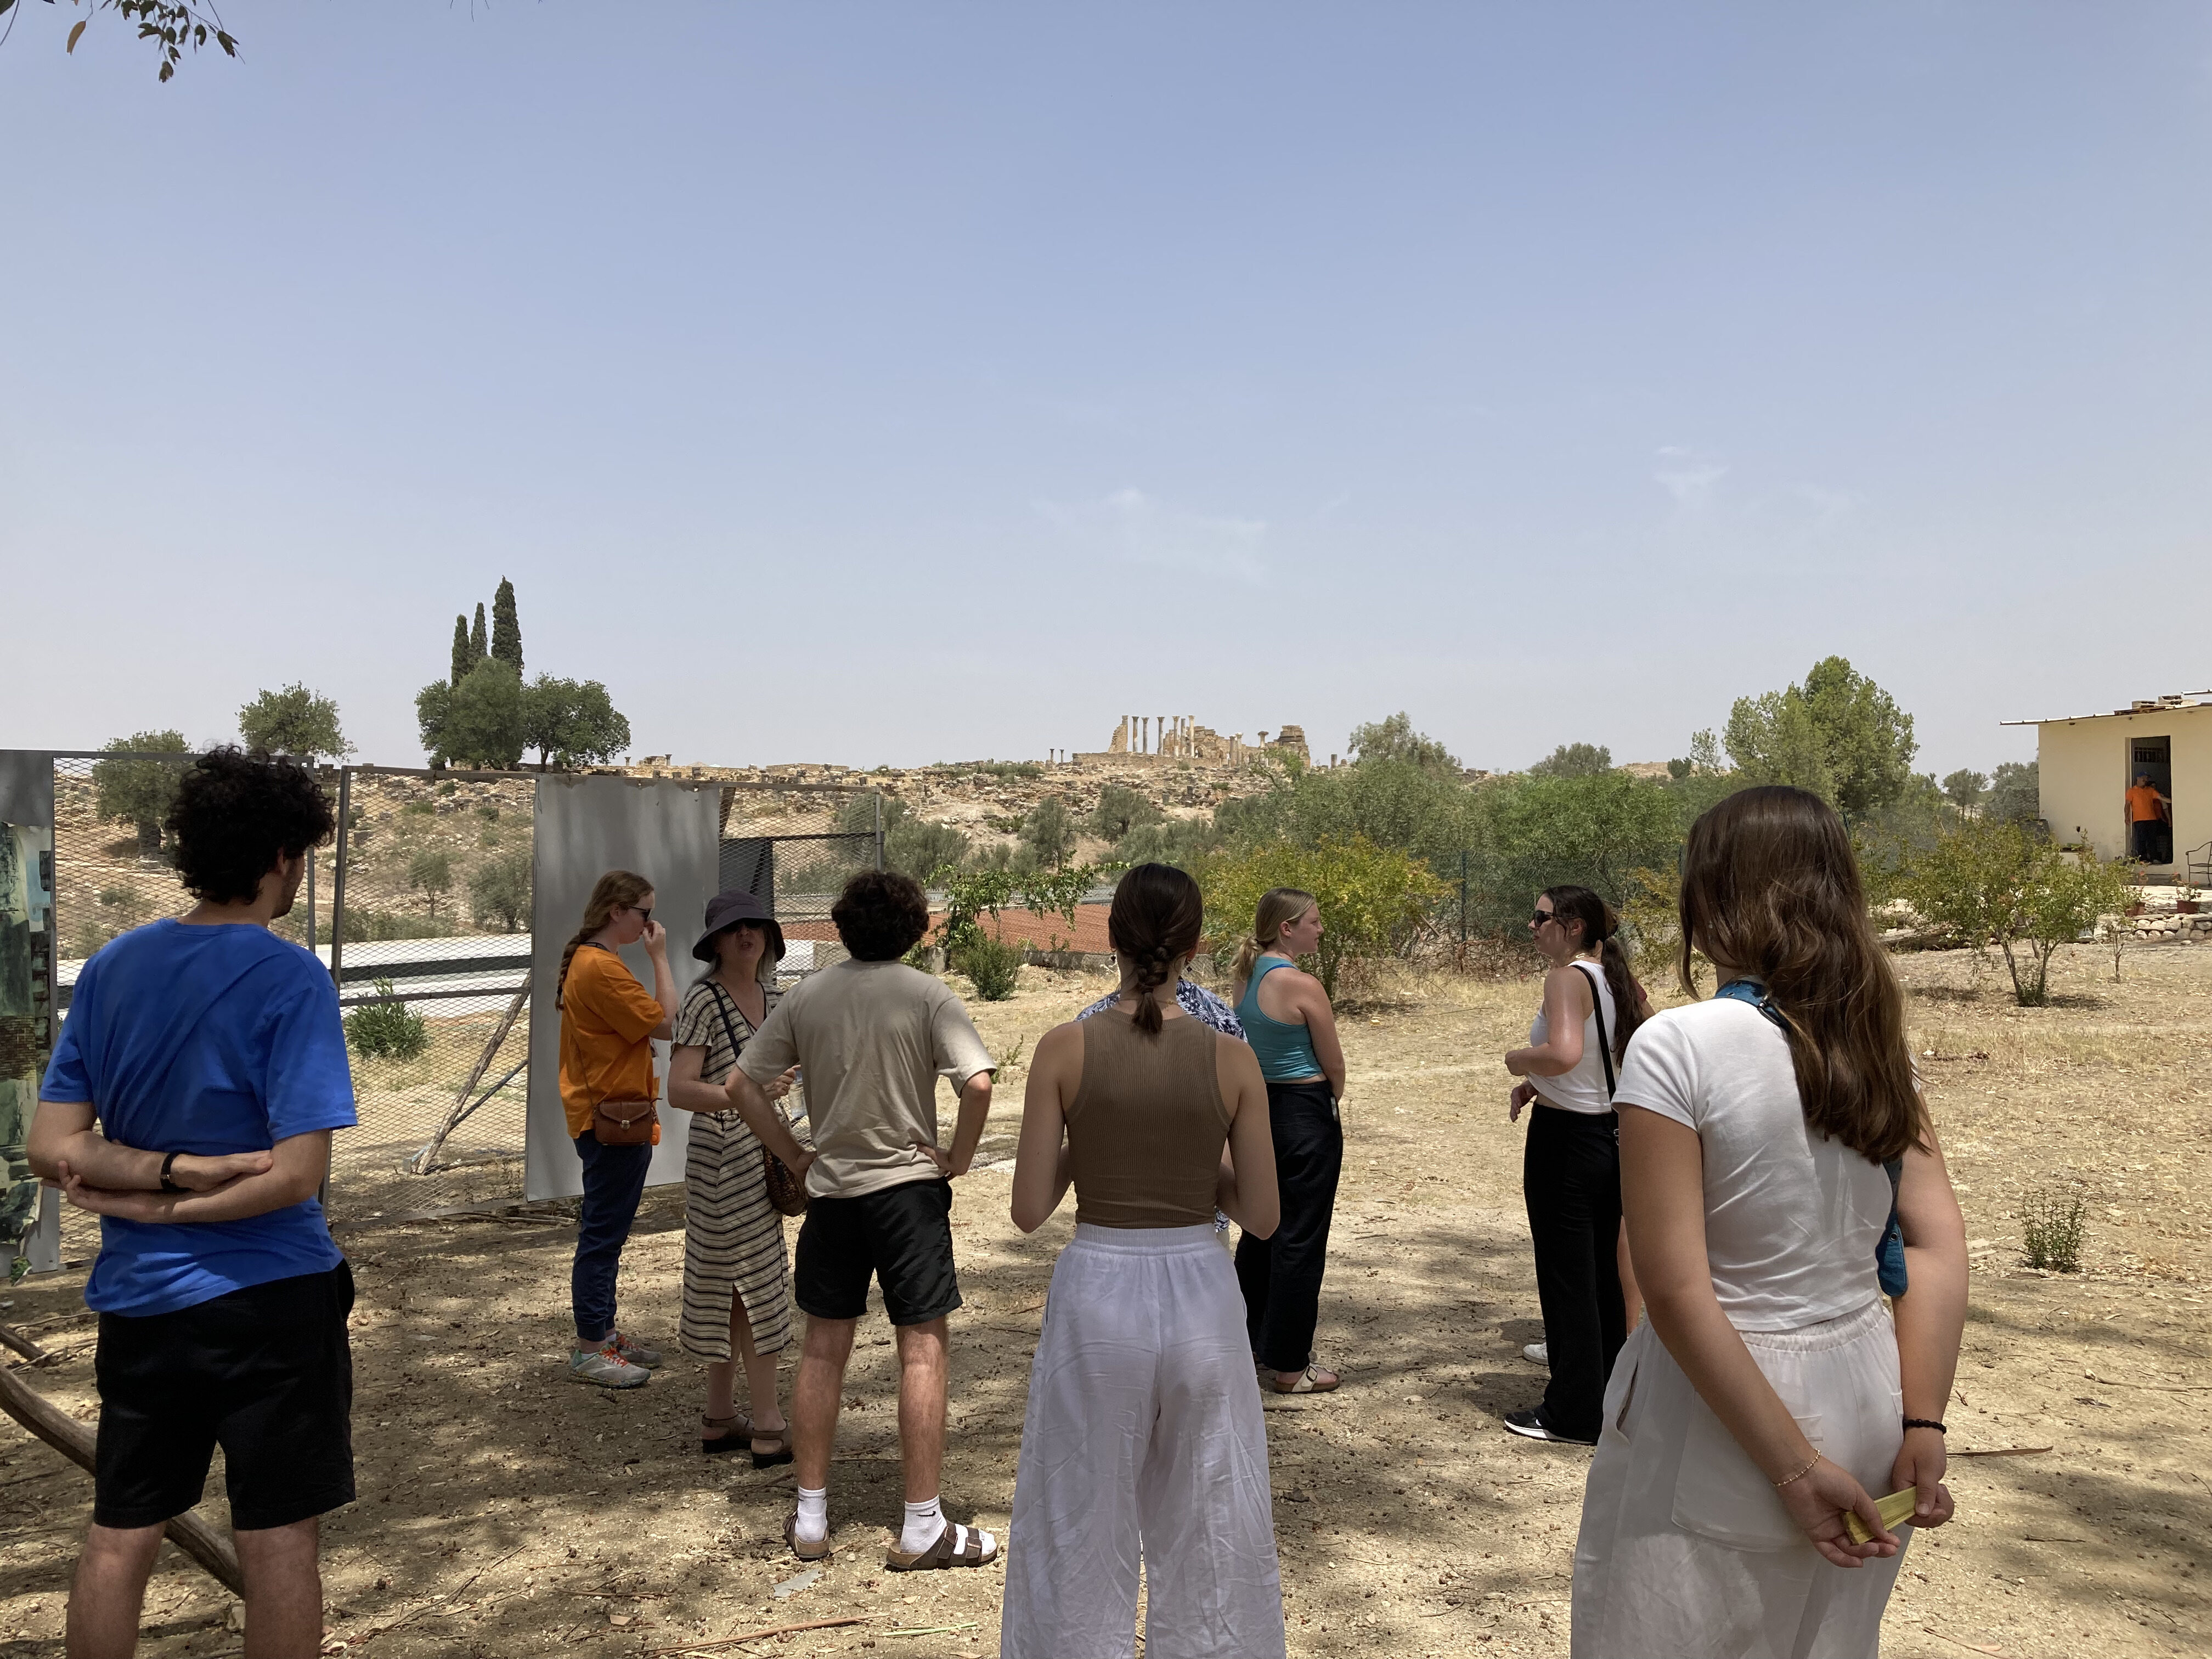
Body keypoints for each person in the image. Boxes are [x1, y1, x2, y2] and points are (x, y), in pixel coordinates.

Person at [1572, 786, 1970, 1658]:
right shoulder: (1874, 1044)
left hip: (1725, 1402)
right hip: (1870, 1386)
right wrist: (1923, 1422)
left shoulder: (1680, 1047)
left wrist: (1791, 1467)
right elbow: (1937, 1241)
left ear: (1711, 896)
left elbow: (1674, 1287)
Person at [29, 748, 358, 1658]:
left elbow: (52, 1144)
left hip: (141, 1300)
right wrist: (184, 1184)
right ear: (284, 855)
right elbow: (295, 1173)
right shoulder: (291, 978)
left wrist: (150, 1181)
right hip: (273, 1298)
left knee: (122, 1527)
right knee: (280, 1534)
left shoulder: (112, 967)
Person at [1001, 864, 1285, 1658]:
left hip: (1099, 1290)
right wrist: (1198, 1165)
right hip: (1200, 1288)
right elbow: (1261, 1215)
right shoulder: (1232, 1058)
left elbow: (1028, 1211)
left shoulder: (1063, 1048)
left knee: (1080, 1518)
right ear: (1195, 942)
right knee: (1212, 1524)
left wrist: (1088, 1144)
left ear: (1111, 937)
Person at [720, 871, 998, 1570]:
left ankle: (811, 1519)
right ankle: (922, 1525)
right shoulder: (928, 994)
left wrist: (795, 1155)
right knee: (922, 1348)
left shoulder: (809, 996)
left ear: (841, 927)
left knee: (822, 1348)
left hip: (835, 1193)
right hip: (908, 1193)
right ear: (913, 928)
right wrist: (955, 1160)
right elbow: (979, 1083)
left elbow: (739, 1085)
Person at [1502, 885, 1653, 1444]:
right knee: (1602, 1281)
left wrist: (1518, 1058)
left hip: (1566, 1143)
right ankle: (1611, 1399)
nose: (1532, 926)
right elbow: (1615, 1050)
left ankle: (1572, 1411)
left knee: (1568, 1278)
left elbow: (1563, 1053)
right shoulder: (1614, 978)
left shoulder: (1567, 979)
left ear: (1570, 926)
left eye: (1540, 917)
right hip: (1609, 1135)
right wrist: (1537, 1084)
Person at [667, 890, 803, 1464]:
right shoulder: (703, 1000)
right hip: (723, 1160)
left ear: (769, 937)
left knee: (729, 1285)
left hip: (764, 1151)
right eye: (733, 928)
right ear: (716, 942)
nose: (746, 935)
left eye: (755, 926)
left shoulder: (777, 999)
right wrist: (742, 1094)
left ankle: (719, 1417)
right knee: (757, 1283)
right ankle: (769, 1423)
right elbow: (678, 1089)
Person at [556, 870, 679, 1389]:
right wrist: (660, 958)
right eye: (644, 913)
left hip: (612, 1113)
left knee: (608, 1231)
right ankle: (590, 1349)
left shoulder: (594, 963)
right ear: (617, 912)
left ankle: (603, 1334)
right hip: (612, 1117)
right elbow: (670, 1024)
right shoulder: (601, 969)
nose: (651, 923)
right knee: (604, 1235)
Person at [1229, 887, 1347, 1396]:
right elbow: (1335, 1066)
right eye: (1314, 922)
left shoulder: (1243, 978)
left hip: (1259, 1112)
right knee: (1301, 1237)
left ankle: (1248, 1341)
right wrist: (1328, 1104)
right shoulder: (1304, 986)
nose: (1320, 930)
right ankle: (1291, 1364)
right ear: (1287, 928)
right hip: (1304, 1113)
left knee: (1260, 1231)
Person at [2127, 771, 2172, 865]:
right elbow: (2127, 805)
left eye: (2147, 778)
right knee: (2141, 840)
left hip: (2152, 819)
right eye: (2144, 778)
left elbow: (2161, 798)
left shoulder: (2151, 790)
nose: (2145, 780)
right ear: (2138, 779)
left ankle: (2154, 858)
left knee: (2152, 840)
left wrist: (2174, 801)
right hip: (2139, 820)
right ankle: (2143, 859)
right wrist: (2126, 816)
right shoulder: (2132, 791)